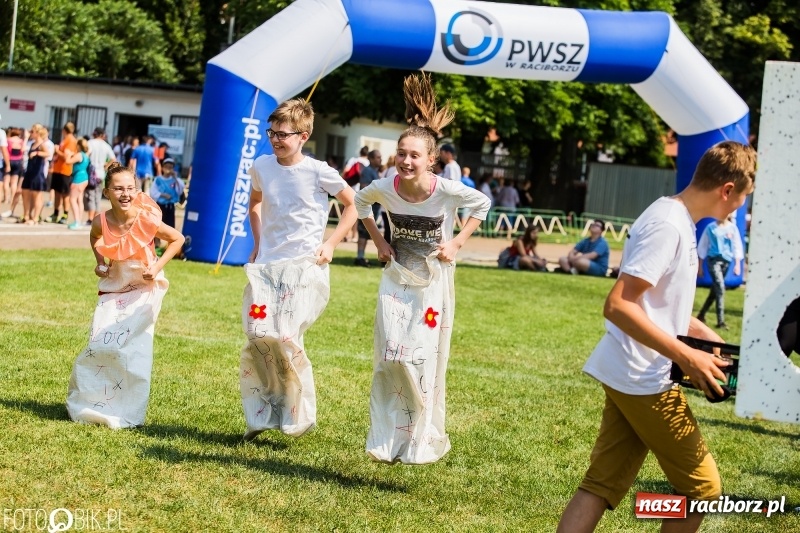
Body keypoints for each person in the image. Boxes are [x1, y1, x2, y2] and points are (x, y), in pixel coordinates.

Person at [557, 140, 756, 533]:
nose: (738, 210)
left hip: (632, 371)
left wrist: (704, 338)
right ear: (727, 190)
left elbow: (657, 307)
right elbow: (618, 305)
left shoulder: (677, 219)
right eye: (741, 200)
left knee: (600, 484)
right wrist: (686, 356)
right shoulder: (668, 224)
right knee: (702, 489)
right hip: (644, 378)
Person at [355, 73, 491, 464]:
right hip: (396, 277)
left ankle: (420, 438)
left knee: (422, 357)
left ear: (432, 160)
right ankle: (387, 434)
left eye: (415, 155)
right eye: (402, 153)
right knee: (392, 354)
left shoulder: (446, 190)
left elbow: (481, 205)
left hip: (434, 285)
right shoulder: (384, 186)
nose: (406, 160)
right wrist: (380, 241)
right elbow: (361, 205)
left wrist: (456, 242)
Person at [240, 98, 357, 441]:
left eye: (284, 134)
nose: (276, 139)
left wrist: (331, 243)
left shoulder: (319, 171)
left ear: (304, 136)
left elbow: (353, 206)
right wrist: (259, 242)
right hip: (267, 268)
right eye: (271, 133)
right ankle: (261, 415)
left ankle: (298, 415)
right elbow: (255, 204)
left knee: (286, 337)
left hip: (306, 267)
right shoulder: (262, 165)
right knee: (259, 336)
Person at [66, 162, 185, 429]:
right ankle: (93, 401)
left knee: (132, 349)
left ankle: (128, 408)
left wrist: (156, 266)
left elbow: (177, 239)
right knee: (100, 342)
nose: (125, 194)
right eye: (118, 189)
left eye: (131, 188)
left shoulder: (146, 219)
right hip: (115, 285)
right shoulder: (101, 221)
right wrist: (100, 262)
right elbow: (95, 237)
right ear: (107, 192)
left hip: (145, 288)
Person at [696, 215, 744, 330]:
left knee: (715, 290)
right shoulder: (710, 228)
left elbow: (737, 245)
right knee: (721, 288)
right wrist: (700, 266)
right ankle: (721, 321)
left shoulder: (732, 228)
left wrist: (737, 264)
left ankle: (701, 315)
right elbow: (703, 246)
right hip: (713, 261)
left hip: (726, 261)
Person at [19, 124, 52, 225]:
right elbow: (23, 149)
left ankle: (35, 217)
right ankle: (26, 215)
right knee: (24, 192)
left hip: (37, 173)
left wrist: (37, 153)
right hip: (29, 171)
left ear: (37, 133)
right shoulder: (32, 143)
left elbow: (48, 154)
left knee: (37, 196)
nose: (30, 133)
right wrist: (25, 138)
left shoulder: (42, 143)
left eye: (32, 132)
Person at [355, 149, 382, 267]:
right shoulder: (367, 171)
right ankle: (359, 257)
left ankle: (361, 257)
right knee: (363, 232)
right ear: (371, 159)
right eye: (377, 157)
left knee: (366, 234)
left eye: (380, 157)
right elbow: (364, 187)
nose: (380, 160)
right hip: (367, 207)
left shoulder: (375, 172)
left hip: (374, 208)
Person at [86, 127, 117, 224]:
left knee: (90, 195)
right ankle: (96, 218)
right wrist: (105, 167)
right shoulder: (106, 145)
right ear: (103, 135)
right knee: (98, 195)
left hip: (91, 172)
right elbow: (113, 159)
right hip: (101, 173)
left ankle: (90, 218)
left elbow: (87, 155)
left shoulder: (90, 143)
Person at [49, 122, 78, 224]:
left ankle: (65, 215)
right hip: (58, 169)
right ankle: (56, 213)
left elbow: (67, 157)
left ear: (64, 130)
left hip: (65, 170)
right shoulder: (65, 139)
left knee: (65, 194)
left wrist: (57, 151)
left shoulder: (71, 140)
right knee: (57, 192)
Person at [149, 157, 185, 231]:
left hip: (170, 206)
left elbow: (180, 190)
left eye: (170, 167)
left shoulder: (175, 180)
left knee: (170, 226)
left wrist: (175, 177)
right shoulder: (158, 179)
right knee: (158, 225)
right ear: (163, 168)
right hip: (160, 205)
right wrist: (163, 195)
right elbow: (153, 192)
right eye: (166, 167)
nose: (168, 169)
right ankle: (157, 241)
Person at [63, 138, 91, 230]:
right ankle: (79, 220)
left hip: (78, 178)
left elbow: (68, 162)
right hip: (84, 177)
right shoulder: (86, 155)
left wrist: (68, 155)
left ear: (78, 146)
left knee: (72, 199)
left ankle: (77, 221)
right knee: (79, 200)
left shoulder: (79, 155)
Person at [1, 127, 24, 217]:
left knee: (6, 181)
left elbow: (6, 151)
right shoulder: (21, 141)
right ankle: (12, 198)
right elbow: (22, 151)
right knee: (14, 183)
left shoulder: (8, 140)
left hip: (9, 160)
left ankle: (6, 197)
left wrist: (7, 164)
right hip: (18, 162)